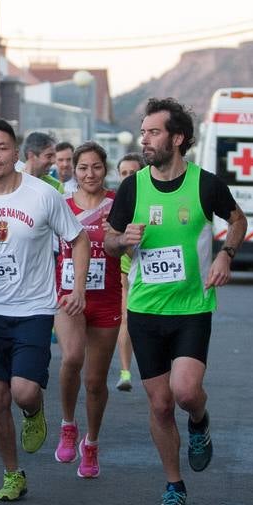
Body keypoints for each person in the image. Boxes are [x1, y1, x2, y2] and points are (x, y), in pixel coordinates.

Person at [104, 98, 246, 505]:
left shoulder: (205, 184)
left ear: (177, 138)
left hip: (191, 306)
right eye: (143, 132)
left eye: (153, 132)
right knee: (161, 405)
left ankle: (199, 419)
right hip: (146, 309)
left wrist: (226, 255)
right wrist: (122, 240)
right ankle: (173, 485)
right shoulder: (133, 187)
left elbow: (237, 221)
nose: (144, 139)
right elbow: (110, 242)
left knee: (185, 393)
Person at [0, 118, 89, 501]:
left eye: (2, 148)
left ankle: (34, 412)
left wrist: (78, 288)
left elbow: (79, 239)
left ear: (16, 154)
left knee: (21, 392)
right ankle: (11, 473)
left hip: (34, 309)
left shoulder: (42, 195)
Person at [52, 142, 123, 478]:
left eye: (96, 167)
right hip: (68, 297)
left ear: (104, 169)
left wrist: (123, 237)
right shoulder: (62, 206)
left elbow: (132, 246)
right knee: (71, 358)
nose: (90, 174)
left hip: (106, 298)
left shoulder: (118, 204)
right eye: (83, 168)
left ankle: (91, 443)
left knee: (95, 381)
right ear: (74, 171)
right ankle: (68, 424)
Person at [114, 153, 145, 392]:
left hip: (153, 269)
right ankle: (125, 371)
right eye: (123, 173)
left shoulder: (150, 198)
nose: (127, 178)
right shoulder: (119, 201)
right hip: (127, 267)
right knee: (125, 317)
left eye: (132, 173)